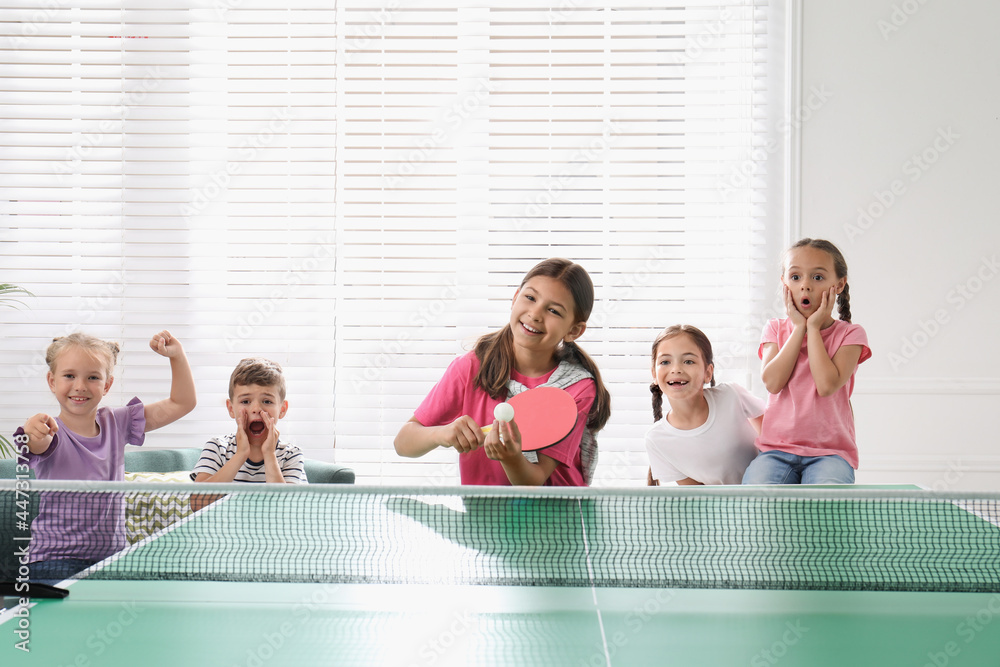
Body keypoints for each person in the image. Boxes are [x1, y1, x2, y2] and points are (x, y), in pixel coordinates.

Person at [394, 258, 611, 486]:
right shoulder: (470, 368)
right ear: (515, 297)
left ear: (574, 330)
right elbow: (403, 443)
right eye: (530, 298)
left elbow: (533, 481)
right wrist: (441, 434)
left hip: (557, 518)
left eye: (553, 311)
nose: (535, 314)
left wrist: (511, 458)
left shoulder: (578, 388)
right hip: (484, 516)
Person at [16, 331, 196, 580]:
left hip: (112, 560)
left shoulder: (118, 422)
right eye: (69, 376)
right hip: (53, 561)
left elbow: (182, 403)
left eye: (92, 377)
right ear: (52, 381)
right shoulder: (49, 431)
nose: (80, 386)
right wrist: (32, 429)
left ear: (107, 385)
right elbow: (37, 442)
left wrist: (176, 356)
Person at [742, 238, 871, 485]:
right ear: (784, 283)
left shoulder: (851, 335)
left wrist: (813, 328)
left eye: (818, 278)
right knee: (755, 501)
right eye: (796, 277)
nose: (805, 286)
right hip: (775, 452)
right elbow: (773, 382)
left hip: (830, 455)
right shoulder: (774, 328)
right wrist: (798, 327)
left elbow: (826, 385)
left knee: (822, 510)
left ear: (839, 284)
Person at [645, 325, 764, 486]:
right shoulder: (656, 440)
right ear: (654, 374)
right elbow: (699, 497)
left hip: (771, 492)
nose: (676, 369)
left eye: (688, 361)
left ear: (708, 373)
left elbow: (775, 441)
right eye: (665, 361)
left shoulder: (731, 395)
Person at [192, 357, 307, 484]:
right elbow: (199, 501)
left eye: (267, 401)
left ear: (282, 409)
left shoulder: (291, 454)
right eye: (245, 401)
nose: (256, 409)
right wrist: (240, 455)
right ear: (231, 408)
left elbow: (287, 503)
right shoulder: (217, 448)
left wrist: (269, 455)